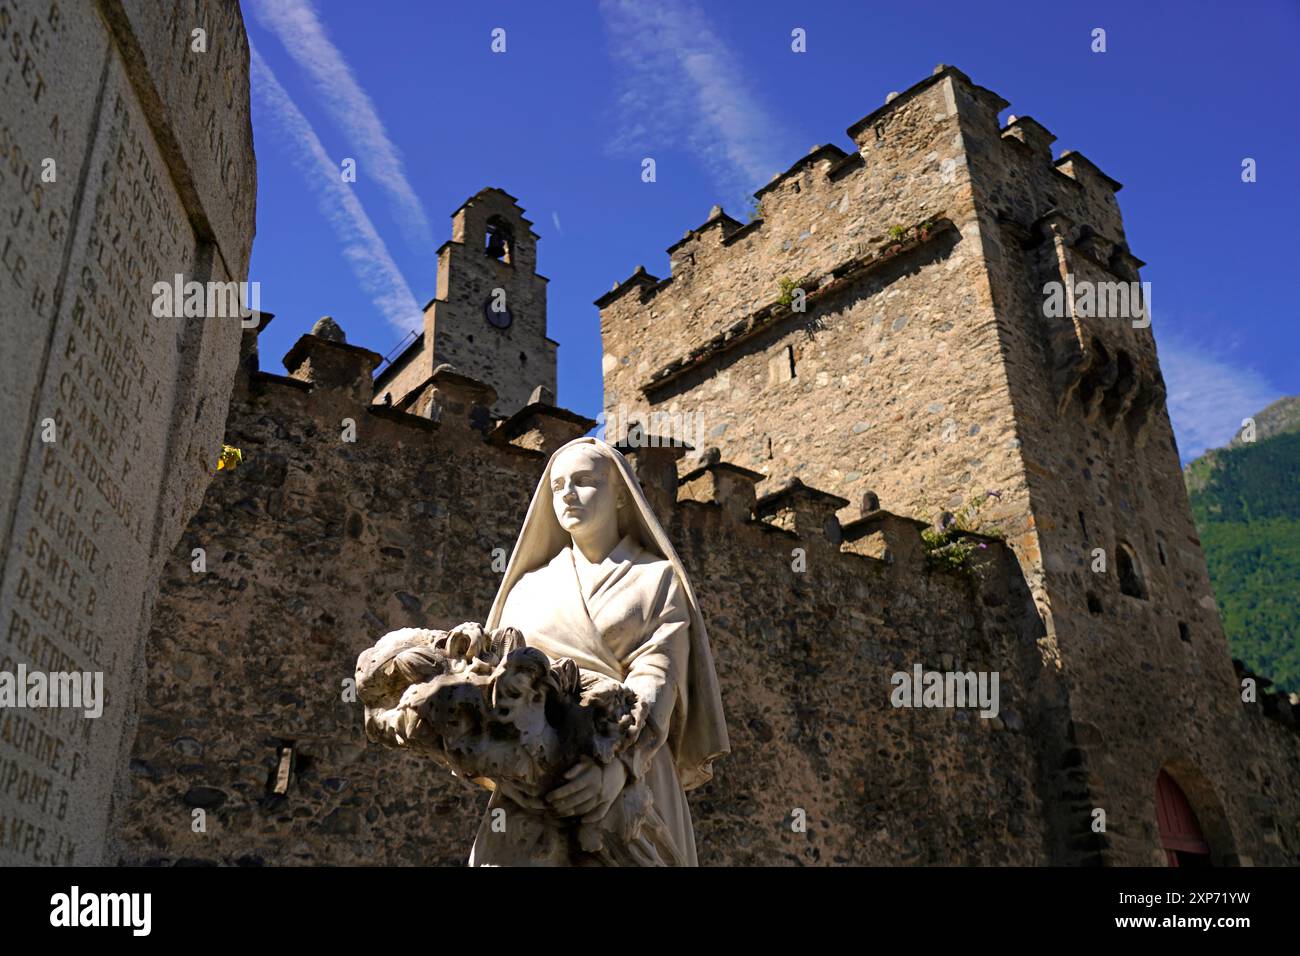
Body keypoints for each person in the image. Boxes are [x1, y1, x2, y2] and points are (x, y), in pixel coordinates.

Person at [468, 437, 728, 866]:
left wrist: (617, 766)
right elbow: (497, 683)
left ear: (620, 494)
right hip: (535, 778)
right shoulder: (526, 589)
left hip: (631, 766)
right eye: (558, 486)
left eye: (584, 481)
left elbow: (656, 677)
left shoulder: (657, 579)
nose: (568, 493)